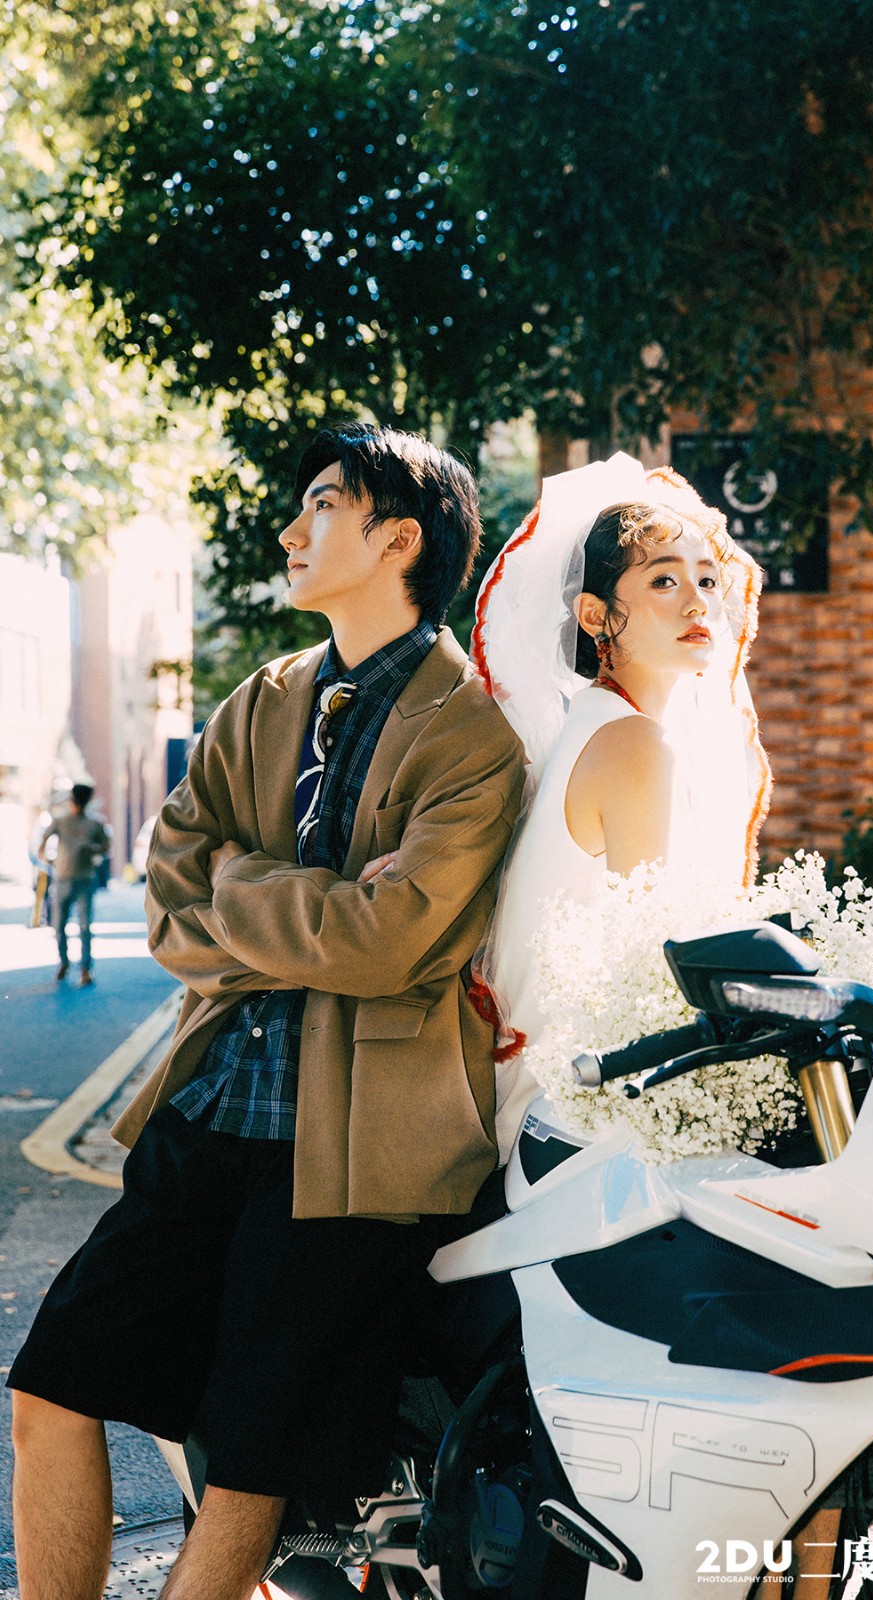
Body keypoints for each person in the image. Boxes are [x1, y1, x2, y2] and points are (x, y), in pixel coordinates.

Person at [8, 422, 525, 1600]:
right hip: (210, 1107)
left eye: (322, 505)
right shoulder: (262, 701)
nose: (291, 531)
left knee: (252, 1462)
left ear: (398, 538)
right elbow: (170, 901)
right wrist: (304, 907)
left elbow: (392, 939)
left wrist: (240, 888)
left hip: (356, 1152)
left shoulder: (469, 735)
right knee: (51, 1388)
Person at [469, 452, 771, 1151]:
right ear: (596, 615)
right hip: (582, 1114)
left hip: (567, 1081)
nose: (697, 603)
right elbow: (659, 957)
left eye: (707, 579)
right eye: (663, 580)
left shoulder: (597, 721)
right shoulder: (634, 743)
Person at [40, 782, 110, 986]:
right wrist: (47, 859)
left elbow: (106, 847)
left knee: (85, 925)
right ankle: (64, 962)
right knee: (59, 924)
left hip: (85, 879)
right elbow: (43, 841)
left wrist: (91, 849)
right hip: (62, 878)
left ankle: (85, 969)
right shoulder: (61, 821)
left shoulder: (95, 824)